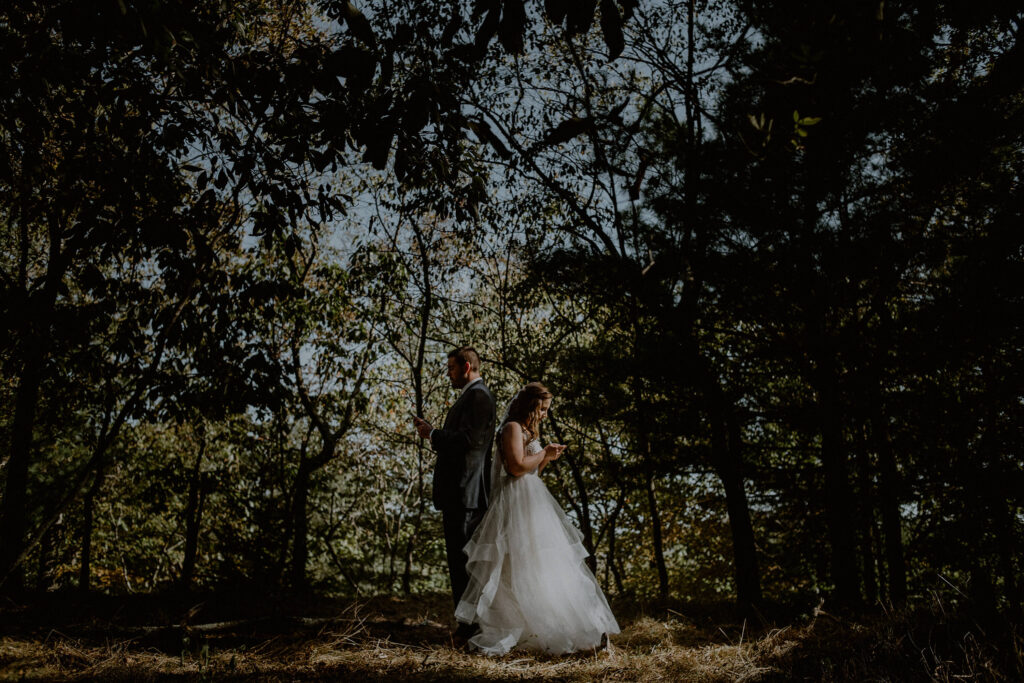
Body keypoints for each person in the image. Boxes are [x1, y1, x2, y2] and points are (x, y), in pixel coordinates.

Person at [454, 382, 619, 655]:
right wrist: (543, 453)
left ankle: (560, 626)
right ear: (529, 405)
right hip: (514, 503)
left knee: (541, 564)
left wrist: (546, 458)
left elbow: (532, 471)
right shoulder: (511, 429)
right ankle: (515, 626)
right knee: (515, 565)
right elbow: (516, 467)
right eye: (542, 409)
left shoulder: (527, 431)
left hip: (533, 502)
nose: (544, 414)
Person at [413, 346, 496, 642]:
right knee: (459, 562)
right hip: (460, 494)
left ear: (467, 366)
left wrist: (433, 434)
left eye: (451, 367)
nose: (448, 373)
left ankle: (471, 627)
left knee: (464, 565)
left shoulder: (479, 397)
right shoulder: (473, 396)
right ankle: (467, 624)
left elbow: (469, 442)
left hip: (466, 493)